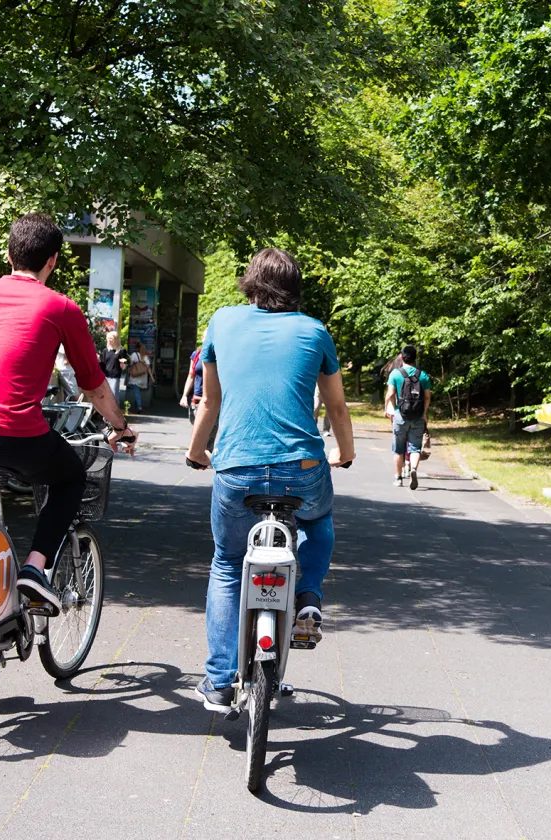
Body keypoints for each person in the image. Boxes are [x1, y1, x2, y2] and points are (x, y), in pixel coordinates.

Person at [185, 247, 356, 712]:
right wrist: (347, 452)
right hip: (301, 470)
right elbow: (337, 407)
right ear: (296, 288)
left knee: (227, 562)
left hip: (237, 469)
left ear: (250, 284)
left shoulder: (222, 322)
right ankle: (308, 599)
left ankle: (219, 680)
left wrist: (197, 451)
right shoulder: (314, 331)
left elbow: (210, 403)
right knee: (319, 523)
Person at [0, 213, 137, 609]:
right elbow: (94, 386)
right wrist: (122, 427)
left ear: (9, 253)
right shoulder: (60, 307)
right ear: (53, 261)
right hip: (13, 435)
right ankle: (35, 569)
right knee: (70, 477)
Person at [384, 345, 431, 489]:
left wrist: (387, 407)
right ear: (415, 358)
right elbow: (428, 397)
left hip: (400, 415)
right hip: (417, 416)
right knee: (415, 448)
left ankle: (398, 478)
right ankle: (413, 470)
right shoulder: (423, 375)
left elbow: (390, 394)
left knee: (398, 449)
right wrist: (423, 413)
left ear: (402, 357)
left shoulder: (395, 374)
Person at [99, 331, 129, 404]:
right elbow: (103, 365)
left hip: (114, 377)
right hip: (105, 377)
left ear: (116, 339)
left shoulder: (121, 350)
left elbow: (123, 367)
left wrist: (124, 362)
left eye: (111, 338)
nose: (109, 340)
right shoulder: (105, 351)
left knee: (113, 396)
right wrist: (98, 361)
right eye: (108, 338)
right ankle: (106, 414)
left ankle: (114, 413)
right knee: (105, 396)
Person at [125, 338, 153, 411]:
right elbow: (148, 368)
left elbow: (131, 364)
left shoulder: (134, 354)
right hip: (143, 377)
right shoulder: (146, 357)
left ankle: (139, 405)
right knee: (139, 391)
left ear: (137, 348)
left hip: (135, 375)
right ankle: (137, 403)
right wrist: (152, 377)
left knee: (136, 391)